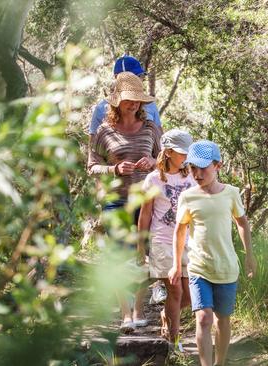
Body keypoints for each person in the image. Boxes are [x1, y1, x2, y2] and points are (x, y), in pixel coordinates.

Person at [168, 141, 257, 366]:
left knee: (222, 320)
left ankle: (220, 362)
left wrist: (249, 255)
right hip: (199, 267)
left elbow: (243, 224)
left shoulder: (231, 193)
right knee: (204, 317)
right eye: (192, 168)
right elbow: (180, 232)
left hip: (226, 267)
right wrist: (177, 265)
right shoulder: (188, 197)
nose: (196, 174)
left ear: (218, 166)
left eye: (202, 168)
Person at [87, 71, 162, 333]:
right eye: (129, 100)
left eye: (138, 101)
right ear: (117, 102)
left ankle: (140, 310)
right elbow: (92, 166)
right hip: (115, 202)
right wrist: (114, 170)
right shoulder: (103, 131)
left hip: (146, 202)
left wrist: (153, 162)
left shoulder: (151, 128)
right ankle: (125, 314)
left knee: (142, 257)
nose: (134, 105)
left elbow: (165, 161)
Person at [137, 129, 195, 349]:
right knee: (175, 290)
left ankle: (166, 315)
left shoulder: (191, 176)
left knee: (189, 295)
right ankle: (173, 341)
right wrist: (140, 246)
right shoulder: (153, 179)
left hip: (187, 242)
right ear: (168, 152)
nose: (185, 158)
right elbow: (145, 214)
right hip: (161, 241)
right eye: (182, 153)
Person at [88, 55, 161, 136]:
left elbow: (160, 137)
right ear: (117, 78)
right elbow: (93, 142)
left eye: (140, 76)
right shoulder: (102, 107)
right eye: (133, 76)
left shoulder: (150, 104)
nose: (138, 79)